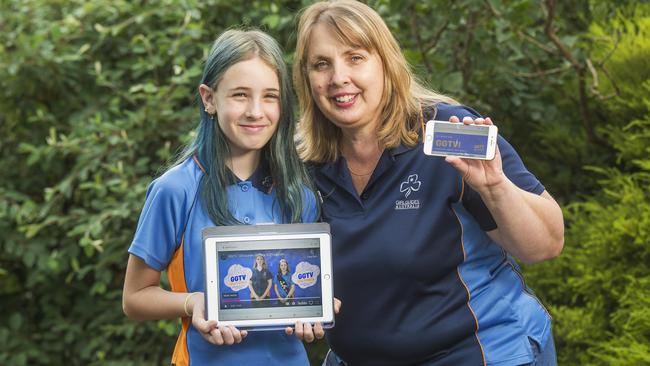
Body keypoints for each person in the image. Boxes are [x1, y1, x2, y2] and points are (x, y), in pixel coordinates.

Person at [292, 1, 565, 365]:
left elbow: (546, 244)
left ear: (385, 64)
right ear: (306, 79)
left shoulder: (447, 134)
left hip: (480, 351)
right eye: (321, 64)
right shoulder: (302, 166)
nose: (338, 77)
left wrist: (495, 186)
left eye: (355, 57)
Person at [122, 29, 327, 366]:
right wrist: (193, 303)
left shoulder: (299, 195)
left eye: (270, 96)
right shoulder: (175, 190)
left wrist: (315, 309)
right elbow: (135, 298)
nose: (255, 111)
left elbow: (298, 289)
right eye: (240, 95)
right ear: (209, 98)